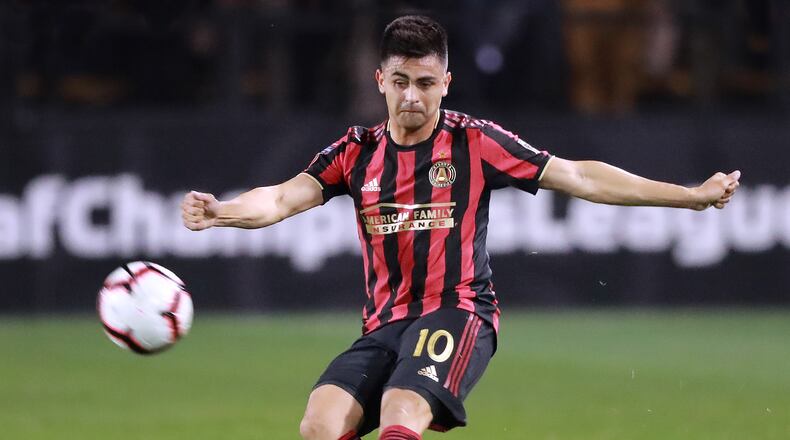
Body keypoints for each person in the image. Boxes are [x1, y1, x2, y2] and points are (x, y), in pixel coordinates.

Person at [181, 15, 740, 440]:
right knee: (319, 426)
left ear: (446, 82)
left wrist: (688, 197)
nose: (411, 97)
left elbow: (579, 177)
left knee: (403, 411)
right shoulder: (355, 152)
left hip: (459, 310)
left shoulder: (476, 143)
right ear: (379, 80)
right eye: (399, 81)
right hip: (383, 325)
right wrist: (222, 212)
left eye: (425, 82)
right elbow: (280, 197)